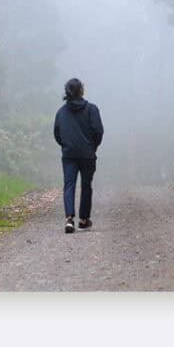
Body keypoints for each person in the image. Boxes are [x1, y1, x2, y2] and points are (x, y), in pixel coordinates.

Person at [53, 78, 104, 233]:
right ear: (81, 90)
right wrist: (92, 147)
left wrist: (66, 146)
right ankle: (83, 219)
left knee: (69, 185)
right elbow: (98, 132)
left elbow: (57, 134)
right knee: (86, 186)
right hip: (88, 155)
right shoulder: (92, 109)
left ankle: (69, 219)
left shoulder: (61, 112)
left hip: (69, 155)